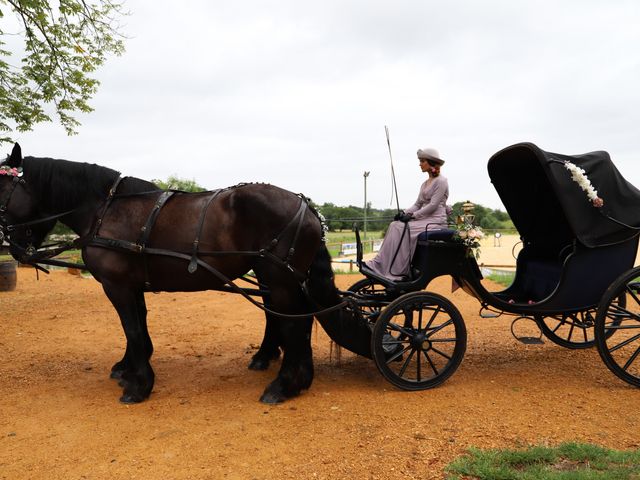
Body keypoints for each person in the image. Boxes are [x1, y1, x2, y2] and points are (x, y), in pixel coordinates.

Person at [364, 147, 450, 281]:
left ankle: (399, 271)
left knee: (401, 228)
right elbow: (417, 204)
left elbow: (433, 206)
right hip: (424, 218)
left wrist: (412, 216)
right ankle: (380, 264)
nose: (420, 164)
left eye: (422, 161)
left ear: (431, 163)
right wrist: (403, 213)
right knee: (394, 225)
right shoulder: (425, 184)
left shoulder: (441, 181)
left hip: (436, 221)